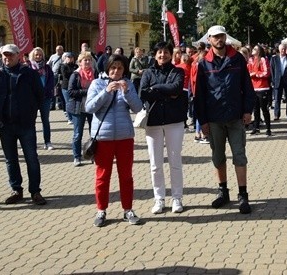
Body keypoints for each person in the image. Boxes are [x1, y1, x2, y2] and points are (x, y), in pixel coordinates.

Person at [194, 25, 256, 215]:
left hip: (235, 117)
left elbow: (247, 86)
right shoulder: (204, 64)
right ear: (209, 40)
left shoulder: (237, 59)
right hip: (213, 118)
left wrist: (247, 110)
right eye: (215, 37)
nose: (219, 40)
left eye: (221, 36)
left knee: (239, 155)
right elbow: (199, 96)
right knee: (218, 156)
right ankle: (223, 191)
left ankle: (243, 194)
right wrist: (202, 121)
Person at [86, 54, 144, 227]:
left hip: (124, 137)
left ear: (124, 69)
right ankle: (101, 210)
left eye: (119, 68)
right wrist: (106, 91)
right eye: (113, 67)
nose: (116, 71)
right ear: (107, 68)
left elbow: (138, 108)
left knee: (126, 176)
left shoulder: (129, 85)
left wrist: (126, 92)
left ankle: (128, 210)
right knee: (103, 176)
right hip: (103, 137)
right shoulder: (97, 83)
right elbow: (89, 107)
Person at [0, 44, 46, 206]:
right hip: (5, 125)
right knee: (10, 159)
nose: (7, 59)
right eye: (4, 56)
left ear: (18, 56)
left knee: (32, 159)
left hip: (26, 124)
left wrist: (36, 115)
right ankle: (16, 190)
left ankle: (35, 191)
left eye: (10, 56)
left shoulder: (30, 74)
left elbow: (40, 96)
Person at [139, 42, 185, 214]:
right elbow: (142, 93)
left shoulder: (178, 71)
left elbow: (177, 88)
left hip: (174, 121)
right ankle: (159, 199)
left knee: (175, 162)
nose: (162, 55)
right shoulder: (148, 72)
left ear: (171, 54)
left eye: (166, 52)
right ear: (154, 54)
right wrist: (167, 92)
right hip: (154, 122)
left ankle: (177, 198)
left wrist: (156, 88)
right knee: (155, 165)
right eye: (159, 52)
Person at [67, 51, 95, 166]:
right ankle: (77, 157)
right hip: (78, 108)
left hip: (93, 107)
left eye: (89, 60)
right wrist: (87, 92)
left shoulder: (95, 73)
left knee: (94, 134)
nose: (87, 62)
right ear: (80, 62)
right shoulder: (75, 74)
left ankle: (93, 155)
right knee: (78, 134)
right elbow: (70, 92)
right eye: (85, 60)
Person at [29, 47, 56, 150]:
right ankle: (32, 143)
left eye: (40, 55)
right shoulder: (29, 67)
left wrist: (46, 91)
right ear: (33, 56)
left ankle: (47, 142)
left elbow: (51, 81)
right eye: (36, 55)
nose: (38, 56)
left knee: (45, 120)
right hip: (33, 98)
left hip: (45, 97)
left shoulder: (47, 67)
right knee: (32, 121)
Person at [248, 44, 272, 136]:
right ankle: (256, 128)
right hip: (253, 88)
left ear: (259, 51)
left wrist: (255, 74)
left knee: (264, 109)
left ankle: (268, 128)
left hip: (262, 87)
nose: (252, 50)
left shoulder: (263, 59)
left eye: (255, 49)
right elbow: (248, 71)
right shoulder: (251, 60)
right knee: (256, 109)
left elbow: (266, 73)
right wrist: (252, 74)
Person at [270, 43, 287, 121]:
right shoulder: (274, 59)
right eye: (282, 49)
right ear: (279, 49)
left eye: (284, 49)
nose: (283, 50)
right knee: (277, 99)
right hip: (278, 80)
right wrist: (272, 81)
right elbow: (272, 70)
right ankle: (276, 114)